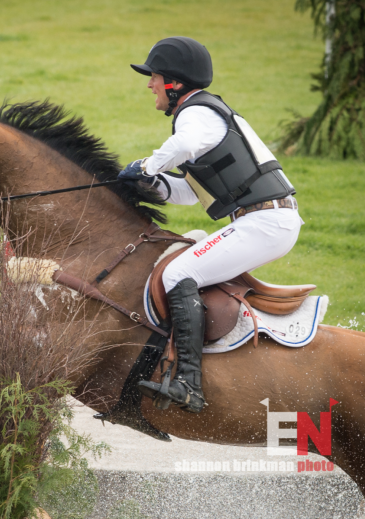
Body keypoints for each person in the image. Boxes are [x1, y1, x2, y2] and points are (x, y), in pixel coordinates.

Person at [118, 37, 302, 413]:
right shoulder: (203, 115)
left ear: (174, 83)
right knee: (185, 262)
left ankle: (188, 383)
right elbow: (189, 193)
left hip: (265, 221)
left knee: (177, 273)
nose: (149, 84)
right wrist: (149, 182)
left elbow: (182, 146)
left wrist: (148, 165)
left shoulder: (195, 113)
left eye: (154, 77)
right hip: (265, 220)